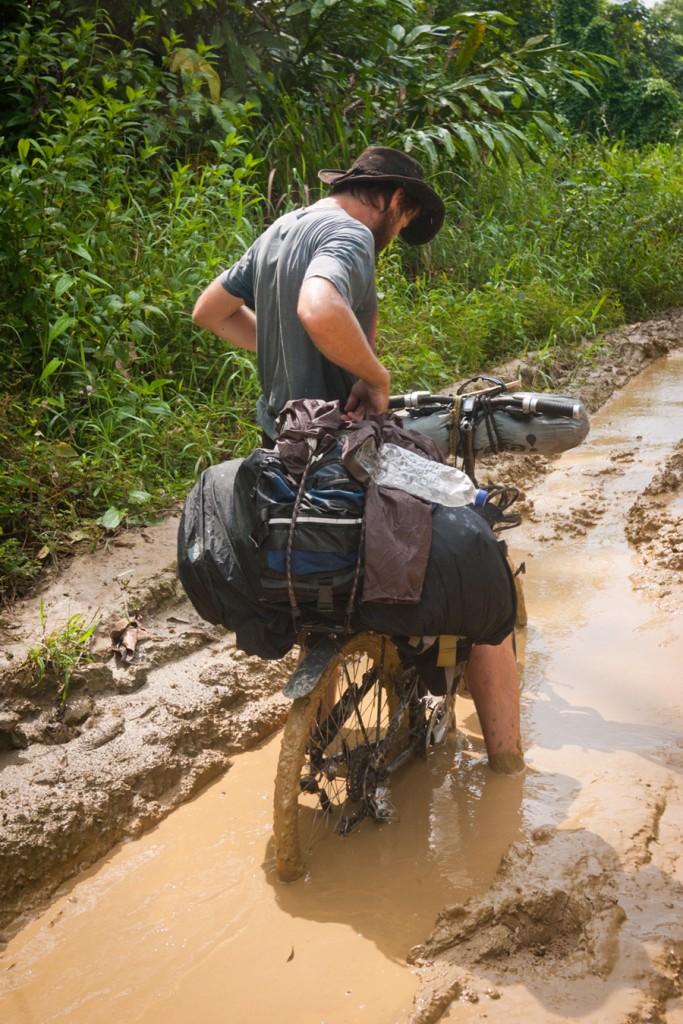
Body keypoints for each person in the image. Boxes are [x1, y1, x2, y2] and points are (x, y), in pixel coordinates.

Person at [192, 145, 524, 774]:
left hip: (282, 460)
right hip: (342, 458)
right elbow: (318, 309)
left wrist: (279, 347)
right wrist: (372, 373)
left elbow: (209, 310)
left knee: (318, 567)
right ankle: (509, 767)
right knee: (485, 565)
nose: (398, 235)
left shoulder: (280, 230)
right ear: (394, 199)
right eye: (404, 221)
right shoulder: (349, 235)